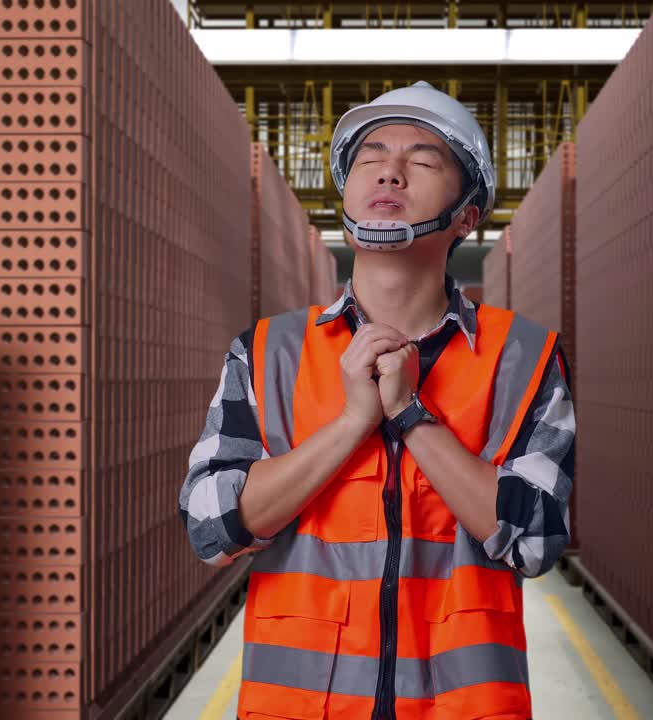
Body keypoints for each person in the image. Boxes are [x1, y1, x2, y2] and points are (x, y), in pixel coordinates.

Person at [180, 80, 575, 720]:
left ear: (466, 217)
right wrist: (351, 422)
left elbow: (534, 541)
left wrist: (412, 417)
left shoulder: (522, 358)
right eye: (370, 156)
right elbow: (210, 526)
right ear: (348, 197)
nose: (390, 170)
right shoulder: (267, 352)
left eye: (422, 160)